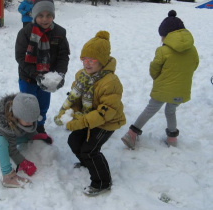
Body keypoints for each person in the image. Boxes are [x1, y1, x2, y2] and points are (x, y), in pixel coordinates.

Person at [54, 31, 126, 196]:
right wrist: (69, 112)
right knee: (74, 141)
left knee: (90, 150)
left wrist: (80, 122)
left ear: (102, 60)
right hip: (87, 117)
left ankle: (102, 182)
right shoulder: (81, 76)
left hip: (107, 122)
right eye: (84, 59)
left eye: (92, 60)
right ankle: (87, 163)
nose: (87, 63)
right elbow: (75, 99)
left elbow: (104, 113)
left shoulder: (110, 83)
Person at [121, 10, 199, 149]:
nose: (161, 39)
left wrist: (158, 78)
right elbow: (195, 65)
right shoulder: (192, 49)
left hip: (163, 88)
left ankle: (132, 134)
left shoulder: (163, 51)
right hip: (181, 89)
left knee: (150, 109)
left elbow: (154, 68)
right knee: (170, 111)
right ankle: (172, 139)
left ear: (167, 35)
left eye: (162, 36)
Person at [15, 0, 70, 135]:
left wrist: (60, 74)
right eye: (40, 15)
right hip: (28, 77)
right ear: (34, 15)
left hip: (47, 77)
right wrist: (35, 75)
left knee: (43, 105)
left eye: (48, 15)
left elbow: (63, 56)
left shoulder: (60, 32)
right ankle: (26, 128)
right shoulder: (25, 33)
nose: (45, 19)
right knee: (27, 105)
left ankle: (39, 127)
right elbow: (21, 57)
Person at [0, 93, 53, 188]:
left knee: (23, 137)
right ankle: (8, 177)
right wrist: (23, 163)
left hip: (8, 137)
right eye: (27, 121)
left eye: (33, 120)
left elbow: (28, 129)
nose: (31, 123)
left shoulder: (22, 113)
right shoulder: (5, 125)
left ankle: (0, 151)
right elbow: (12, 149)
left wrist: (36, 136)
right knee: (2, 142)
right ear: (17, 116)